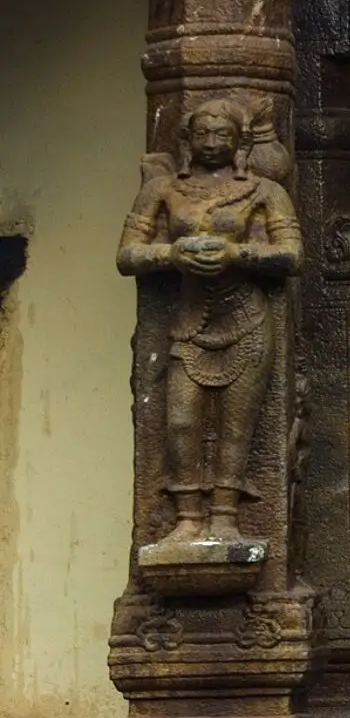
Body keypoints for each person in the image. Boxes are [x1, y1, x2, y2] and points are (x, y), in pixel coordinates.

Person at [118, 99, 302, 549]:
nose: (213, 142)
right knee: (180, 419)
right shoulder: (163, 190)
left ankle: (224, 516)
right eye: (203, 133)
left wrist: (239, 254)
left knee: (238, 426)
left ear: (240, 143)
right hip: (190, 321)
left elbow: (292, 255)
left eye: (223, 134)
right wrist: (172, 254)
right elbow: (127, 255)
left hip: (246, 319)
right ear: (187, 140)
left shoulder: (263, 192)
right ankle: (186, 518)